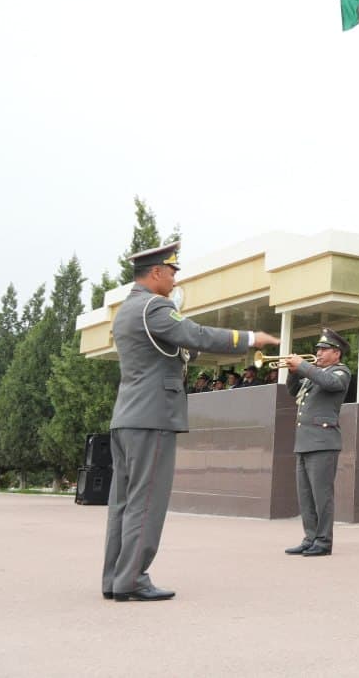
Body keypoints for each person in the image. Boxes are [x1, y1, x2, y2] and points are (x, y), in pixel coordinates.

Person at [102, 242, 279, 602]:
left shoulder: (128, 310)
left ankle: (115, 577)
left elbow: (176, 347)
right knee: (146, 501)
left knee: (124, 503)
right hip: (152, 417)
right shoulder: (155, 306)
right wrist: (250, 339)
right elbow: (196, 335)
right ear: (155, 273)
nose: (174, 277)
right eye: (171, 271)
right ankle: (133, 578)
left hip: (128, 417)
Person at [282, 329, 351, 558]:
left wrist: (303, 366)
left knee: (322, 495)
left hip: (323, 442)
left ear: (336, 353)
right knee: (306, 496)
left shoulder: (340, 372)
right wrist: (293, 372)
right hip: (305, 441)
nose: (318, 353)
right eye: (318, 350)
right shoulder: (314, 374)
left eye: (323, 350)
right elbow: (293, 391)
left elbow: (329, 383)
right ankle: (310, 537)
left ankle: (323, 541)